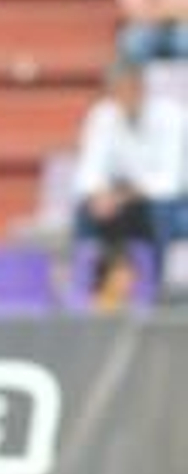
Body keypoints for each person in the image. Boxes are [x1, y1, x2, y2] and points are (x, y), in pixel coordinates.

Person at [70, 59, 188, 305]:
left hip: (171, 204)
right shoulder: (102, 115)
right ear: (111, 92)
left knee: (159, 213)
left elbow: (170, 181)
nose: (128, 96)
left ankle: (150, 289)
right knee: (86, 211)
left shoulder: (173, 116)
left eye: (132, 89)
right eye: (120, 91)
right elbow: (88, 171)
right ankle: (92, 290)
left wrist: (124, 195)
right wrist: (99, 194)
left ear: (142, 87)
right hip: (122, 201)